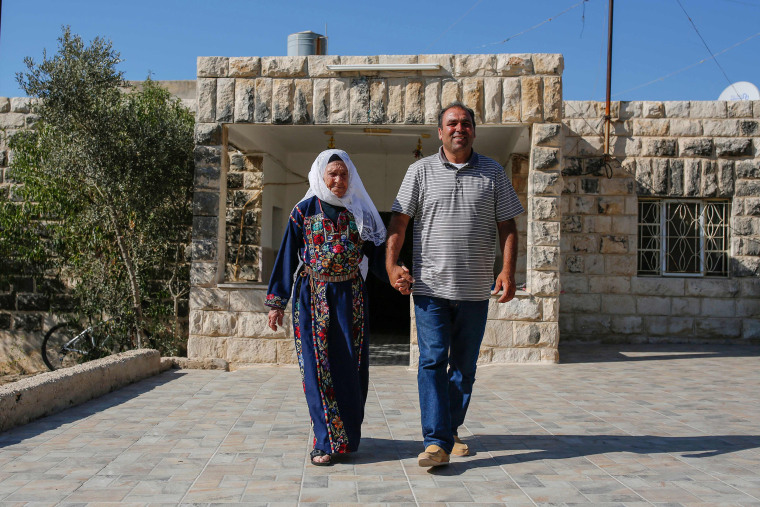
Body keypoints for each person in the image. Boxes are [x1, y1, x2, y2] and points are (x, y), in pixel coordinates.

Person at [386, 102, 525, 467]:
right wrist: (391, 265)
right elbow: (398, 223)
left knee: (464, 367)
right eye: (452, 123)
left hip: (476, 290)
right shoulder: (419, 171)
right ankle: (436, 442)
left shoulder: (493, 173)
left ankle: (449, 428)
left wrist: (507, 271)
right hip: (430, 288)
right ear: (440, 131)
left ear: (474, 131)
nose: (459, 128)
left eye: (465, 123)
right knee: (432, 361)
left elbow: (508, 226)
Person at [266, 149, 388, 466]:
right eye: (332, 173)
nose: (338, 180)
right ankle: (324, 441)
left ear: (351, 178)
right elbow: (285, 257)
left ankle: (345, 437)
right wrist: (277, 302)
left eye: (343, 174)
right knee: (316, 368)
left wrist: (398, 274)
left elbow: (378, 259)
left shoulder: (360, 213)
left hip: (351, 297)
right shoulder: (303, 212)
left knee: (350, 368)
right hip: (311, 295)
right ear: (321, 176)